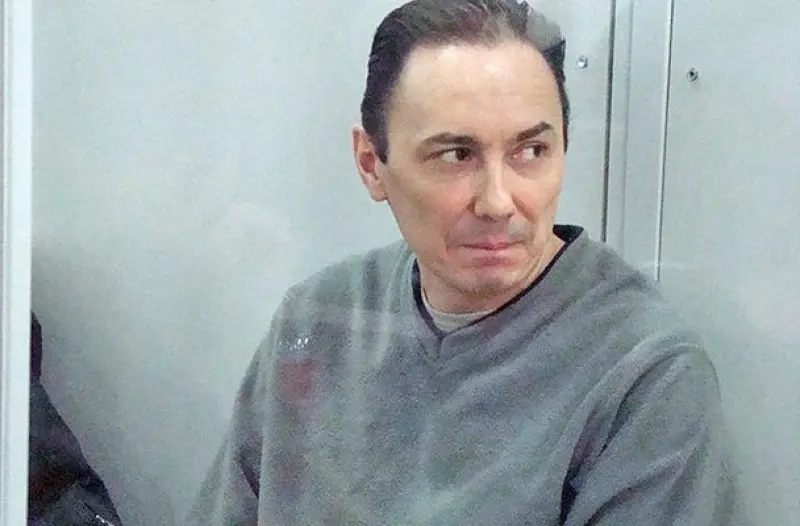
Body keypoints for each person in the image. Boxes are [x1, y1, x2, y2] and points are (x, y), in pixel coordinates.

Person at [186, 0, 731, 524]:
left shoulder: (641, 373)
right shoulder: (316, 321)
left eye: (530, 152)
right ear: (371, 164)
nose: (498, 202)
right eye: (456, 155)